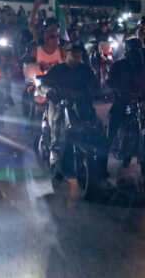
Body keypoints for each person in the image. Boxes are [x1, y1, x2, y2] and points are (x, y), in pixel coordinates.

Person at [39, 41, 104, 178]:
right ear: (66, 53)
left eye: (79, 52)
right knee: (58, 133)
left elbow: (96, 86)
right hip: (61, 107)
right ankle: (55, 166)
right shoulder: (57, 70)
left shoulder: (86, 70)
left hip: (82, 108)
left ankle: (102, 168)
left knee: (99, 130)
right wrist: (48, 92)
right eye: (73, 52)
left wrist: (101, 90)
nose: (77, 54)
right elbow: (43, 85)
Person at [106, 38, 145, 156]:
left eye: (138, 49)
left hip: (142, 99)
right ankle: (105, 152)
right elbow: (111, 81)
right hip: (123, 99)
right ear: (127, 50)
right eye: (133, 49)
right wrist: (118, 89)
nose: (136, 52)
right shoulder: (119, 65)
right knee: (115, 121)